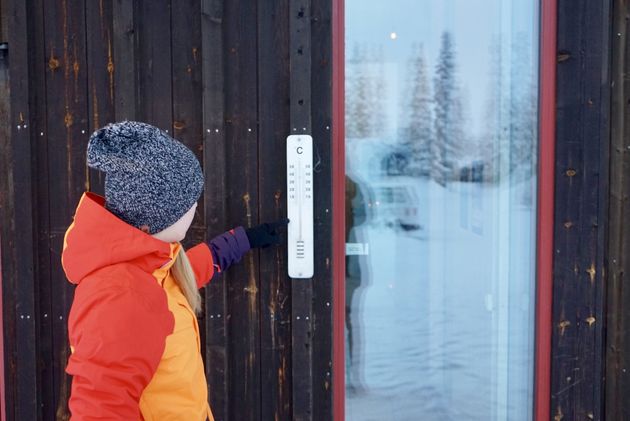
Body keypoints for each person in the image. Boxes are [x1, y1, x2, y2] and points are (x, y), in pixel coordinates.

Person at [60, 120, 288, 420]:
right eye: (187, 204)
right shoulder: (119, 294)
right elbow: (101, 407)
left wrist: (244, 240)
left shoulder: (146, 266)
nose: (195, 208)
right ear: (150, 221)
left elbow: (183, 276)